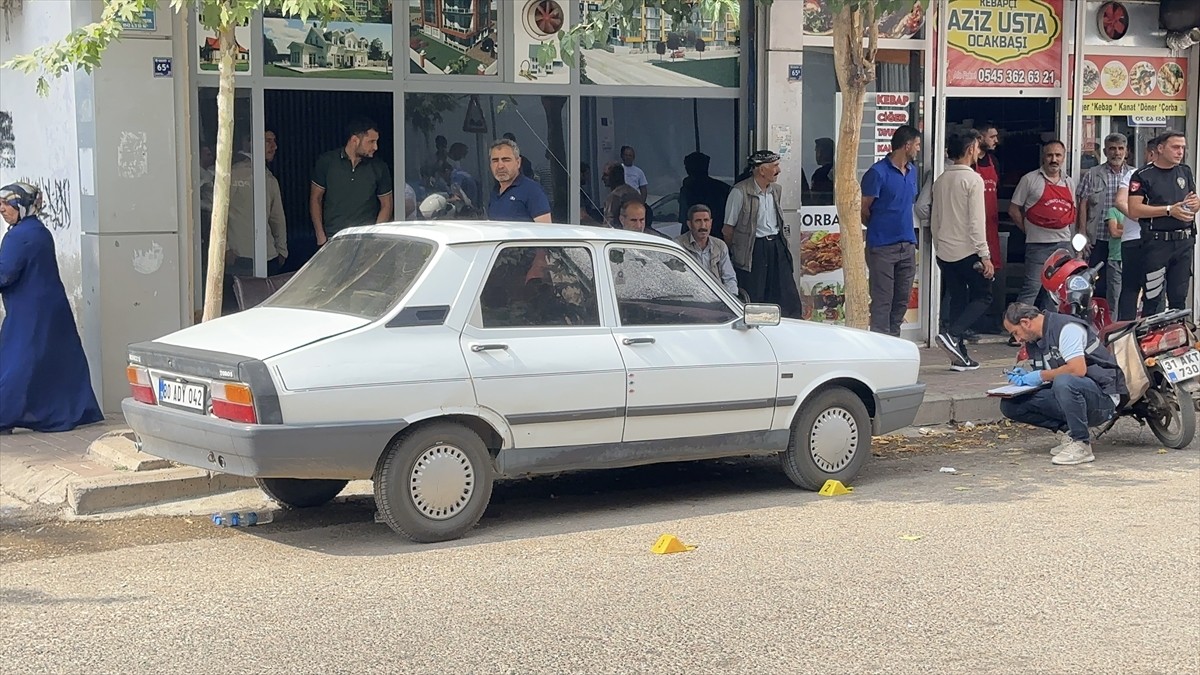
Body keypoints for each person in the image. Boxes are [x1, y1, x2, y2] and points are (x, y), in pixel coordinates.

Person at [0, 182, 104, 434]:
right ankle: (70, 411)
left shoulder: (20, 235)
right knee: (54, 362)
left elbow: (4, 274)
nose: (2, 209)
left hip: (30, 313)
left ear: (22, 205)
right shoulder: (37, 230)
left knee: (17, 363)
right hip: (47, 308)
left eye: (8, 204)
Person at [1000, 302, 1127, 466]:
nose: (1017, 339)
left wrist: (1040, 375)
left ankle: (1081, 444)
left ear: (1025, 322)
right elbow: (1050, 375)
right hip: (1072, 394)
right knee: (1011, 404)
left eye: (1015, 333)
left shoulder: (1066, 328)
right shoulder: (1034, 342)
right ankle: (1070, 432)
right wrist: (1025, 380)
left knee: (1065, 380)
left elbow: (1077, 370)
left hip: (1103, 397)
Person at [932, 131, 994, 372]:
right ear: (971, 150)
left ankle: (961, 356)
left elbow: (935, 220)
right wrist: (984, 255)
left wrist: (939, 247)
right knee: (984, 296)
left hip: (945, 251)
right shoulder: (973, 180)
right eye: (978, 148)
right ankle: (953, 334)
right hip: (968, 251)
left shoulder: (941, 180)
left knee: (958, 298)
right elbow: (976, 223)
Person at [1126, 130, 1198, 316]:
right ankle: (1148, 339)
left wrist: (1196, 204)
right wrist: (1168, 210)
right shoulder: (1143, 175)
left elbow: (1191, 202)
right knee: (1153, 296)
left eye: (1182, 148)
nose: (1180, 152)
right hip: (1156, 242)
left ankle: (1177, 338)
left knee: (1178, 297)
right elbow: (1134, 209)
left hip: (1184, 241)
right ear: (1160, 148)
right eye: (1175, 147)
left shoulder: (1185, 171)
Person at [724, 150, 803, 318]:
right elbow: (728, 230)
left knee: (786, 293)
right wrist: (736, 253)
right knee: (755, 294)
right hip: (754, 248)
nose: (779, 170)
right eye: (775, 166)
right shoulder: (739, 192)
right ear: (761, 170)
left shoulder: (776, 190)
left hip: (775, 245)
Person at [1007, 140, 1077, 324]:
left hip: (1063, 244)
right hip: (1037, 245)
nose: (1054, 159)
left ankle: (1047, 329)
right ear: (1043, 157)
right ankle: (1017, 330)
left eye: (1058, 155)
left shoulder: (1069, 181)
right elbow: (1014, 209)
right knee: (1032, 287)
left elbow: (1072, 211)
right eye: (1050, 155)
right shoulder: (1030, 179)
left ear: (1064, 157)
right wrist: (1027, 230)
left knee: (1056, 290)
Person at [862, 124, 921, 337]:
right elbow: (865, 208)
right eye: (916, 145)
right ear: (906, 146)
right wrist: (879, 227)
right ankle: (880, 342)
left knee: (902, 298)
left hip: (907, 244)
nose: (918, 149)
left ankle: (894, 339)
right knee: (882, 299)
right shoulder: (877, 173)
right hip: (882, 245)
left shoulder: (912, 172)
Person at [310, 116, 394, 247]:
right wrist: (320, 236)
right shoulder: (327, 162)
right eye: (371, 142)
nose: (376, 147)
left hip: (366, 240)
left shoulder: (379, 167)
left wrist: (375, 236)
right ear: (355, 140)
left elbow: (387, 204)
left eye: (376, 141)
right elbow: (315, 199)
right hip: (333, 239)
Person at [1076, 133, 1132, 305]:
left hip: (1124, 238)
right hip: (1099, 237)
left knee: (1124, 283)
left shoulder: (1134, 174)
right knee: (1097, 283)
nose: (1116, 153)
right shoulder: (1093, 174)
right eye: (1112, 149)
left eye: (1120, 148)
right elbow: (1083, 204)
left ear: (1126, 152)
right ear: (1105, 151)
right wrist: (1082, 233)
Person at [1114, 137, 1157, 321]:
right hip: (1134, 237)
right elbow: (1120, 201)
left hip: (1160, 240)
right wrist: (1141, 218)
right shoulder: (1135, 174)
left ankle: (1153, 332)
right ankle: (1125, 332)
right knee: (1131, 287)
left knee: (1155, 289)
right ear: (1150, 153)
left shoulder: (1178, 175)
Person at [676, 204, 738, 296]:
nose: (703, 226)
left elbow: (729, 278)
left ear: (711, 223)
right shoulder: (678, 245)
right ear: (689, 224)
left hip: (717, 298)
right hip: (689, 298)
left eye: (706, 220)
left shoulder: (720, 246)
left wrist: (732, 299)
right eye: (698, 221)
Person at [486, 137, 551, 223]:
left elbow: (545, 230)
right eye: (495, 161)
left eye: (506, 160)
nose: (500, 166)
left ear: (518, 162)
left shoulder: (532, 191)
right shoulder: (495, 192)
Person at [678, 151, 732, 239]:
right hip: (693, 234)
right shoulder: (721, 187)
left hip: (716, 232)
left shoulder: (721, 188)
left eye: (688, 166)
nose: (686, 169)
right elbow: (684, 217)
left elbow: (683, 216)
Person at [973, 124, 1004, 280]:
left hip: (991, 224)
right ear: (980, 138)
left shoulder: (994, 162)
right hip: (972, 225)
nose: (996, 140)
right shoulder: (970, 163)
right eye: (992, 137)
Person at [603, 163, 640, 227]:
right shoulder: (634, 192)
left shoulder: (615, 196)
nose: (602, 178)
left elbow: (609, 223)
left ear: (615, 176)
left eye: (606, 175)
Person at [809, 137, 835, 205]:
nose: (816, 154)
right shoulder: (837, 170)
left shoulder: (820, 174)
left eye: (817, 150)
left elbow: (815, 197)